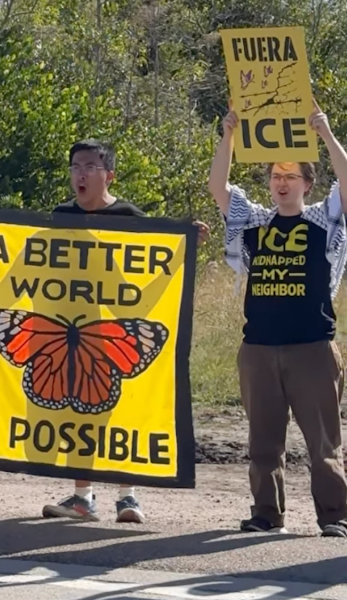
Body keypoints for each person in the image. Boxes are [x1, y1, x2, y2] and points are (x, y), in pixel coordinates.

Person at [0, 139, 209, 524]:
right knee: (75, 417)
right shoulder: (59, 217)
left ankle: (127, 498)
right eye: (76, 166)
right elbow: (16, 273)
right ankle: (82, 498)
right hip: (54, 333)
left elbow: (143, 284)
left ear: (108, 174)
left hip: (107, 336)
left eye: (90, 166)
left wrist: (185, 244)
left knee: (117, 413)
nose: (80, 174)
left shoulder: (129, 217)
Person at [208, 100, 347, 538]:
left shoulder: (324, 221)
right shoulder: (253, 220)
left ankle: (335, 516)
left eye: (290, 176)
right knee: (263, 442)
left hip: (312, 346)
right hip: (259, 347)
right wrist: (228, 135)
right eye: (275, 176)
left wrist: (324, 133)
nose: (281, 183)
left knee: (323, 444)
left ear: (307, 183)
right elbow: (217, 185)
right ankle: (266, 513)